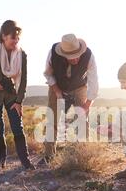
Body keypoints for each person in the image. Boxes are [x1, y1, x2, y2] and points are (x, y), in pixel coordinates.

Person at [0, 20, 35, 170]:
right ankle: (0, 161)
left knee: (17, 127)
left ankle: (25, 161)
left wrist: (19, 101)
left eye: (17, 38)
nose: (15, 41)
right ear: (3, 36)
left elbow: (23, 80)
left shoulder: (21, 54)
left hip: (11, 96)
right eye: (12, 37)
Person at [39, 34, 99, 165]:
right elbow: (47, 74)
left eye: (77, 55)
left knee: (82, 120)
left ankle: (82, 155)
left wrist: (87, 104)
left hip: (79, 87)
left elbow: (94, 82)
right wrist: (57, 91)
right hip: (57, 85)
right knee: (52, 119)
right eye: (71, 57)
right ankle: (48, 155)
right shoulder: (53, 54)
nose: (76, 59)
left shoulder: (89, 56)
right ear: (63, 54)